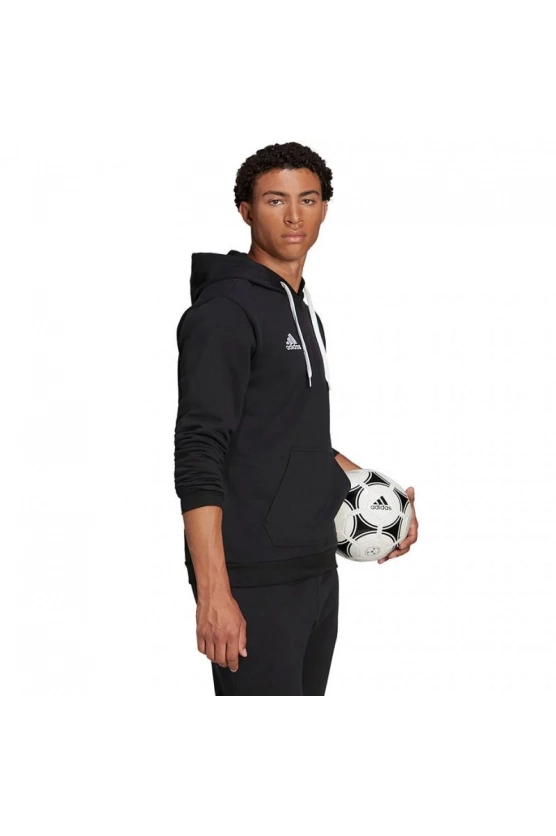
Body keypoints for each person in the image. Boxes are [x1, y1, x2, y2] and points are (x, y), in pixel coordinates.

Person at [174, 141, 418, 696]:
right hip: (253, 579)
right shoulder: (224, 312)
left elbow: (292, 434)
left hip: (315, 565)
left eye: (307, 199)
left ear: (324, 208)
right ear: (245, 210)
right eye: (274, 200)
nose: (293, 216)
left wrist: (383, 501)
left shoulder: (303, 312)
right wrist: (213, 592)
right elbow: (198, 450)